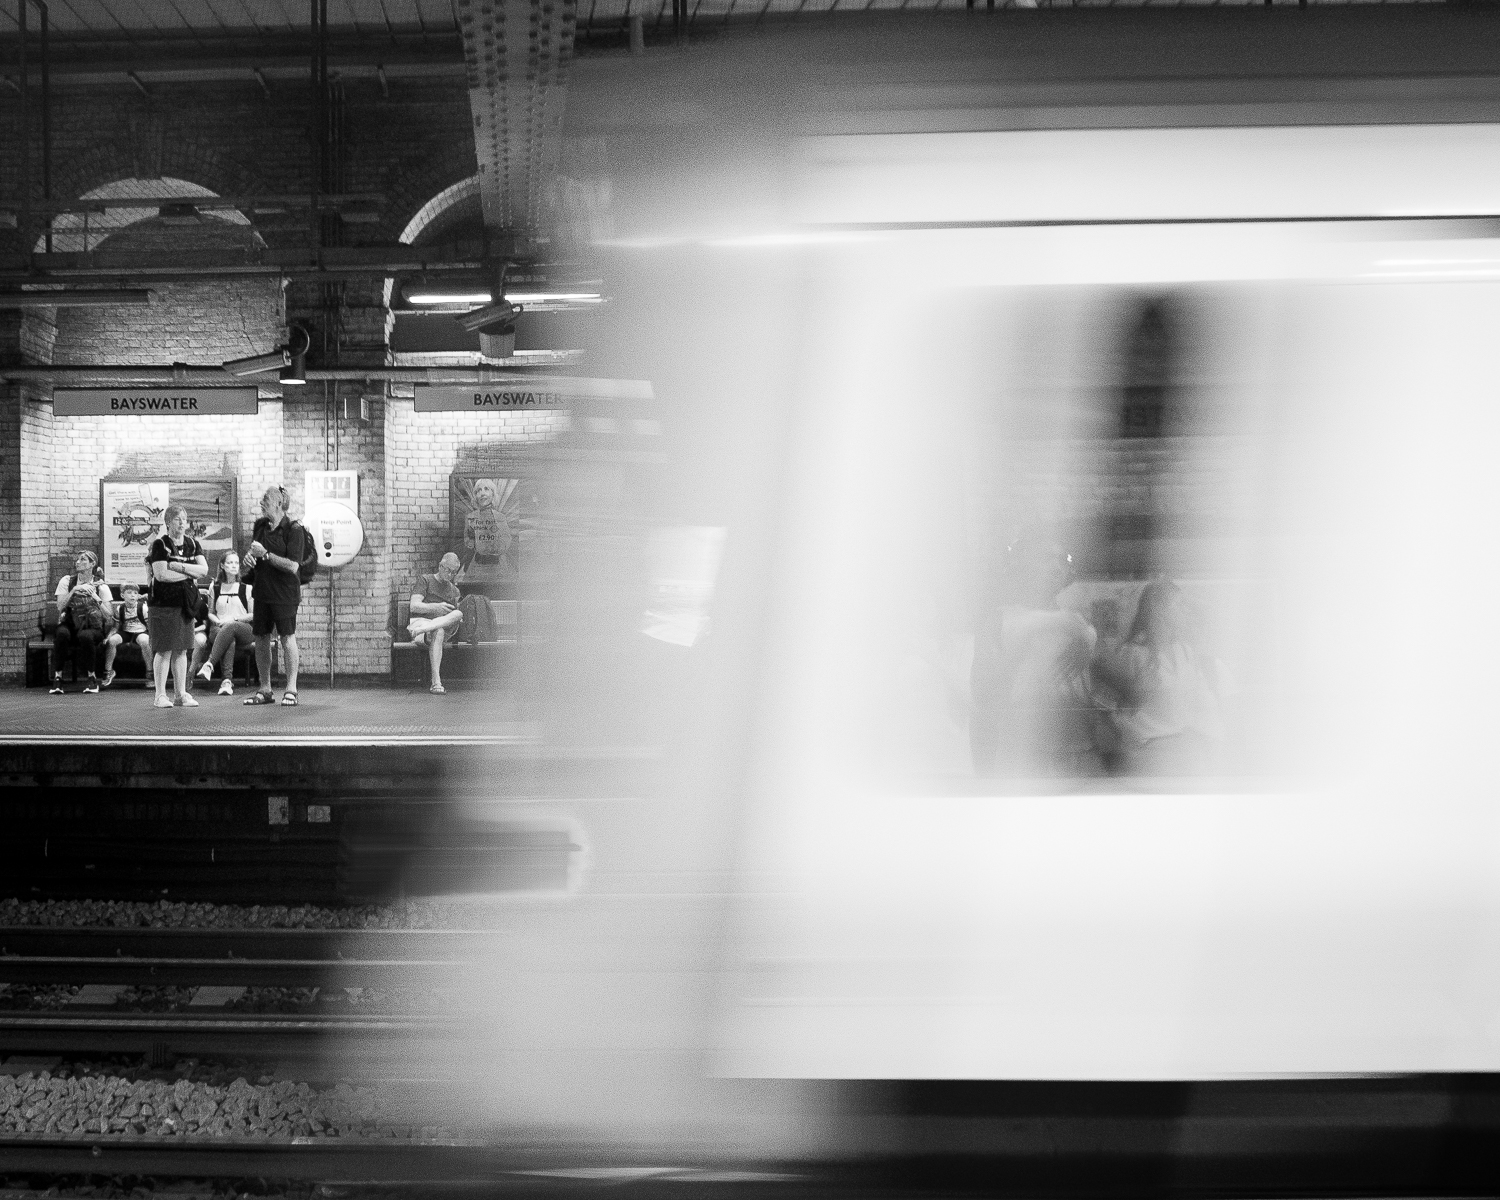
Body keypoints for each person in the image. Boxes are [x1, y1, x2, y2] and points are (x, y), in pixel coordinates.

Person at [969, 536, 1106, 777]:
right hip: (1023, 754)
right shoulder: (998, 621)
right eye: (1046, 558)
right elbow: (983, 694)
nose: (1056, 567)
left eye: (1061, 560)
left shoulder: (1080, 624)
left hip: (1075, 749)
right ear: (1024, 566)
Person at [1093, 578, 1228, 776]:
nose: (1185, 612)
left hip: (1189, 757)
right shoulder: (1133, 655)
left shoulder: (1186, 652)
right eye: (1179, 605)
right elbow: (1108, 708)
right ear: (1159, 610)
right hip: (1150, 758)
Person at [240, 485, 316, 707]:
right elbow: (255, 554)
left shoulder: (294, 529)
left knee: (286, 637)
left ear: (279, 503)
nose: (261, 501)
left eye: (266, 498)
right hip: (262, 590)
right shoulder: (261, 526)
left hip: (284, 593)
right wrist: (250, 559)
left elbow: (293, 565)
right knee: (261, 637)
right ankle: (265, 689)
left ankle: (291, 689)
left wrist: (265, 555)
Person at [147, 505, 208, 709]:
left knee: (181, 650)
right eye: (176, 519)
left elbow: (204, 570)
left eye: (184, 519)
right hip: (164, 605)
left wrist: (179, 567)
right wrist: (190, 574)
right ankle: (160, 695)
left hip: (186, 605)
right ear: (167, 523)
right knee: (164, 650)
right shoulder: (160, 545)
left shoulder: (193, 544)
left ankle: (181, 694)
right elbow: (161, 574)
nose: (182, 523)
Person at [190, 550, 255, 696]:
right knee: (228, 638)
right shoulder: (215, 587)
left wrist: (233, 620)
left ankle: (209, 664)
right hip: (219, 627)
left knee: (230, 626)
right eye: (230, 563)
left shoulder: (246, 587)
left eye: (236, 563)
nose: (234, 566)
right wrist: (218, 621)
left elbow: (252, 614)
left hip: (243, 627)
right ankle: (226, 682)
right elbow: (210, 613)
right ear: (222, 566)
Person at [50, 550, 114, 695]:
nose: (78, 562)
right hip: (71, 622)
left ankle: (92, 678)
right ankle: (58, 677)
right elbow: (60, 607)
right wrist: (74, 590)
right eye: (77, 560)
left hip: (93, 625)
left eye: (83, 559)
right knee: (61, 634)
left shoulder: (100, 586)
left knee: (86, 636)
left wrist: (94, 596)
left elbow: (109, 615)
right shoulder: (67, 581)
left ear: (92, 564)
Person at [407, 553, 464, 694]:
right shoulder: (425, 580)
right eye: (448, 570)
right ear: (440, 566)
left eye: (454, 572)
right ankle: (436, 683)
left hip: (440, 626)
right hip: (422, 624)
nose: (450, 574)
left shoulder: (454, 590)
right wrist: (436, 607)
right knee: (438, 631)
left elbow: (456, 616)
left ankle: (428, 628)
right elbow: (414, 606)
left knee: (458, 613)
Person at [460, 478, 516, 585]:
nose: (482, 493)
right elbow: (467, 544)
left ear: (493, 494)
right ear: (475, 496)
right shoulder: (470, 517)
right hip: (477, 567)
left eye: (486, 489)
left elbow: (506, 542)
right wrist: (472, 539)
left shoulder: (501, 517)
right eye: (478, 491)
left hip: (498, 568)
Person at [102, 582, 151, 687]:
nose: (132, 595)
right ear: (122, 595)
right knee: (112, 641)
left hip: (140, 631)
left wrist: (153, 637)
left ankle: (150, 672)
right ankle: (108, 671)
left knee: (145, 641)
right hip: (125, 632)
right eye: (129, 593)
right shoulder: (120, 608)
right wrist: (108, 637)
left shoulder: (143, 608)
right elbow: (115, 627)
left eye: (135, 593)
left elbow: (150, 626)